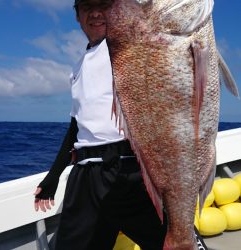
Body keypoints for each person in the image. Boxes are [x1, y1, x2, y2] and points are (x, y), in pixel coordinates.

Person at [34, 1, 207, 250]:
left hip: (135, 171)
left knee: (180, 242)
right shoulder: (78, 66)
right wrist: (54, 175)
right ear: (77, 16)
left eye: (103, 5)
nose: (95, 13)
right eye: (86, 7)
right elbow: (76, 126)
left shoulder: (131, 45)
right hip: (86, 178)